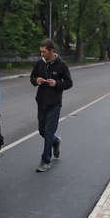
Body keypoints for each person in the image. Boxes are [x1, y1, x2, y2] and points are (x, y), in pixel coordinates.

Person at [30, 39, 73, 172]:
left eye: (44, 51)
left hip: (54, 103)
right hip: (41, 102)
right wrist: (36, 80)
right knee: (42, 130)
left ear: (51, 51)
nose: (42, 54)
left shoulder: (61, 65)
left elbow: (69, 83)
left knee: (48, 132)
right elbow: (32, 78)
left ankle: (45, 161)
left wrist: (56, 83)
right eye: (41, 51)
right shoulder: (39, 63)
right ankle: (55, 141)